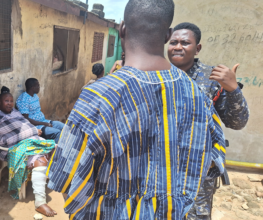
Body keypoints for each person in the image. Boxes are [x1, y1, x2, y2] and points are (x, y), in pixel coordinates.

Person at [46, 0, 226, 219]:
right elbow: (212, 160)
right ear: (168, 34)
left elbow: (64, 175)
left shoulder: (99, 95)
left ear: (122, 28)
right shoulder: (197, 95)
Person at [168, 22, 249, 220]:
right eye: (173, 42)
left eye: (185, 42)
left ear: (197, 48)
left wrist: (232, 89)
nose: (178, 46)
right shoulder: (155, 75)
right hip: (162, 170)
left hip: (199, 175)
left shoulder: (212, 79)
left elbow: (236, 122)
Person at [0, 86, 57, 217]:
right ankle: (40, 203)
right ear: (0, 102)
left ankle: (40, 173)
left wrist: (33, 131)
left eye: (11, 101)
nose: (9, 103)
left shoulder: (15, 111)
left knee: (55, 148)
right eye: (6, 101)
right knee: (41, 160)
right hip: (12, 149)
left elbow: (24, 123)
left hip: (29, 142)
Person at [16, 78, 65, 143]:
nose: (39, 87)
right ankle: (56, 151)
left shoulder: (35, 96)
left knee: (64, 127)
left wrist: (46, 123)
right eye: (38, 86)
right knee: (57, 133)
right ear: (32, 87)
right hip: (36, 126)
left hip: (44, 121)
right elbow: (26, 119)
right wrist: (44, 124)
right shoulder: (24, 99)